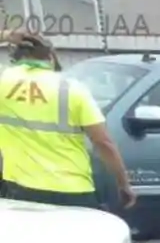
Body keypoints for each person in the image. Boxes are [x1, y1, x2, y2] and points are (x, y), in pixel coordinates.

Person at [0, 30, 136, 209]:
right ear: (50, 57)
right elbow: (103, 142)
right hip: (72, 191)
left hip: (20, 190)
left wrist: (6, 35)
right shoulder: (72, 89)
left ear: (15, 57)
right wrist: (123, 184)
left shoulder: (3, 83)